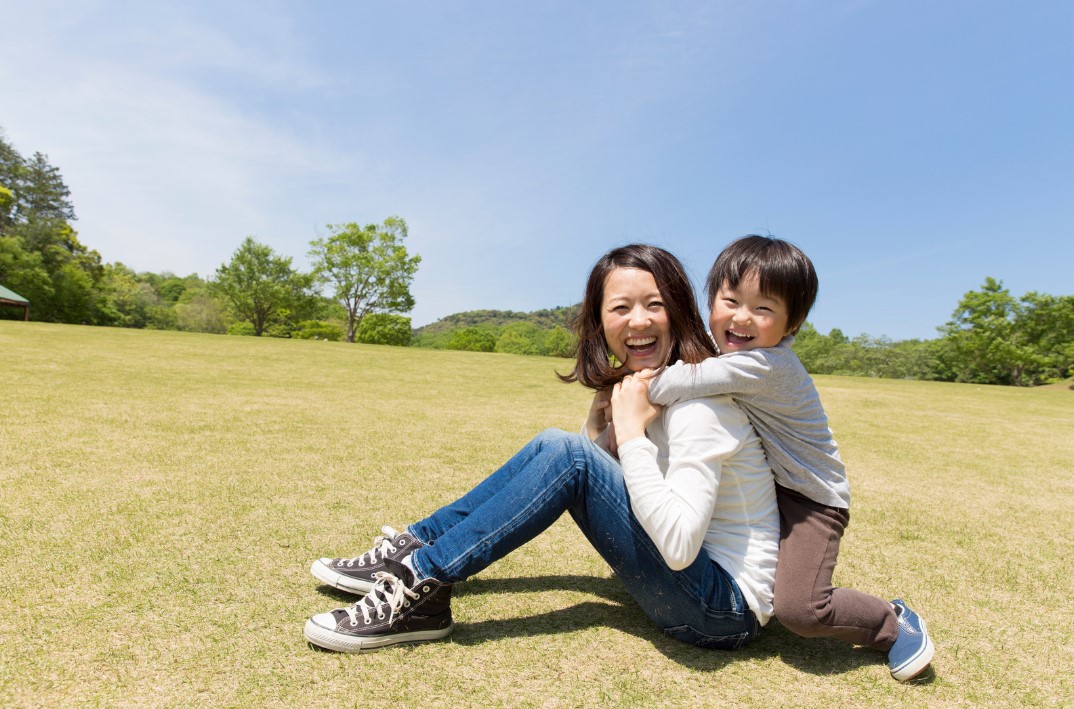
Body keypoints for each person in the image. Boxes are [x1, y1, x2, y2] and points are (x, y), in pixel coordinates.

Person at [304, 244, 780, 654]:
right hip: (699, 590)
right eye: (620, 308)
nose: (638, 321)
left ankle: (420, 586)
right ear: (599, 321)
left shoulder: (700, 406)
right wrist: (603, 430)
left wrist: (629, 435)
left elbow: (677, 547)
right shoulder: (652, 388)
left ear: (680, 310)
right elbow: (624, 490)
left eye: (655, 305)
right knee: (562, 447)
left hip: (722, 610)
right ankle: (415, 547)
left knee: (565, 453)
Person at [646, 235, 934, 681]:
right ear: (712, 301)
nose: (742, 317)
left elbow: (669, 385)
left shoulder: (764, 365)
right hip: (769, 482)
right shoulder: (733, 350)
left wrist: (630, 386)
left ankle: (891, 622)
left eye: (764, 309)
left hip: (811, 501)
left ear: (791, 323)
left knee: (802, 609)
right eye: (730, 300)